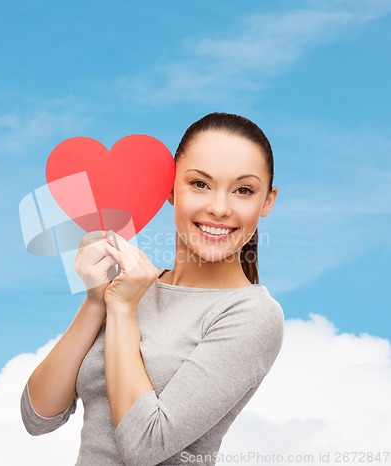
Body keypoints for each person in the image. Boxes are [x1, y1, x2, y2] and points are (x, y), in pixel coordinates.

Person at [20, 112, 284, 466]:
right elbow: (38, 416)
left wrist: (124, 310)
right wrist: (97, 301)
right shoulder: (131, 286)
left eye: (243, 190)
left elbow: (145, 446)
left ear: (267, 201)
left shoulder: (252, 315)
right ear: (170, 189)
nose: (219, 208)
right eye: (200, 184)